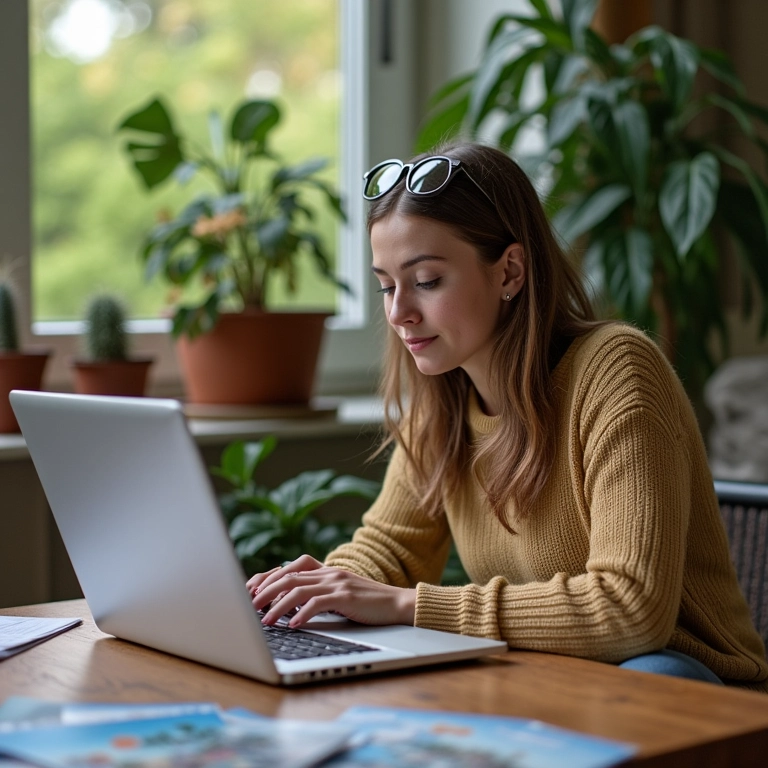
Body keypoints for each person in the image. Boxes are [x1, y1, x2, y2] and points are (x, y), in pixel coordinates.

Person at [247, 142, 768, 692]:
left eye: (426, 281)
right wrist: (311, 592)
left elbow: (631, 608)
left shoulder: (618, 371)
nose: (399, 312)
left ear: (510, 272)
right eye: (385, 285)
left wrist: (406, 605)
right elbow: (391, 550)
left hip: (683, 679)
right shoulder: (443, 395)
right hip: (549, 670)